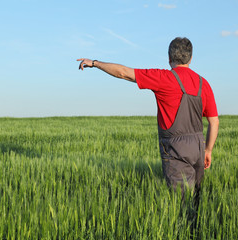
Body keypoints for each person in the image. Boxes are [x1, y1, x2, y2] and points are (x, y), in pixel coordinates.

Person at [77, 37, 219, 193]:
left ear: (169, 58)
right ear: (191, 58)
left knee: (180, 202)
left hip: (175, 148)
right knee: (198, 199)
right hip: (198, 147)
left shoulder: (164, 78)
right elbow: (214, 122)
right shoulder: (202, 83)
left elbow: (124, 73)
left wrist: (95, 63)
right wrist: (208, 150)